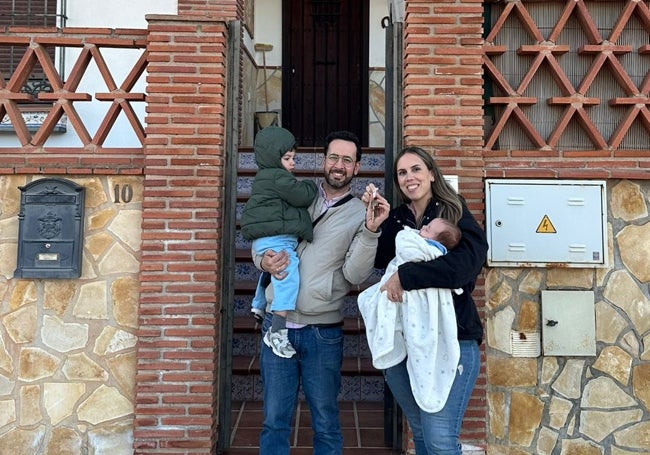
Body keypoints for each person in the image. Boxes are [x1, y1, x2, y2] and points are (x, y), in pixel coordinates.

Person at [254, 130, 390, 455]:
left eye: (347, 159)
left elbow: (355, 274)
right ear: (323, 160)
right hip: (278, 326)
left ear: (357, 167)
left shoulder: (362, 212)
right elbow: (265, 232)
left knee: (326, 422)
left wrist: (371, 230)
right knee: (274, 420)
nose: (338, 165)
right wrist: (263, 261)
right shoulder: (296, 193)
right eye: (333, 157)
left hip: (322, 334)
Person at [362, 146, 488, 455]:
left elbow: (464, 269)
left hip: (452, 339)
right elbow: (379, 264)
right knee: (420, 434)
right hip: (403, 342)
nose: (409, 177)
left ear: (431, 174)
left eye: (416, 169)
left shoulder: (453, 212)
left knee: (440, 440)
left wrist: (406, 277)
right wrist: (374, 228)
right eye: (402, 173)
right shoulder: (397, 218)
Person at [240, 126, 317, 358]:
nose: (293, 163)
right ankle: (277, 329)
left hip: (268, 239)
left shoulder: (267, 177)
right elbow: (301, 195)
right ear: (274, 159)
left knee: (272, 268)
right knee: (287, 271)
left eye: (294, 158)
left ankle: (258, 302)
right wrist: (311, 186)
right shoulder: (278, 177)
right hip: (276, 238)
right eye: (288, 158)